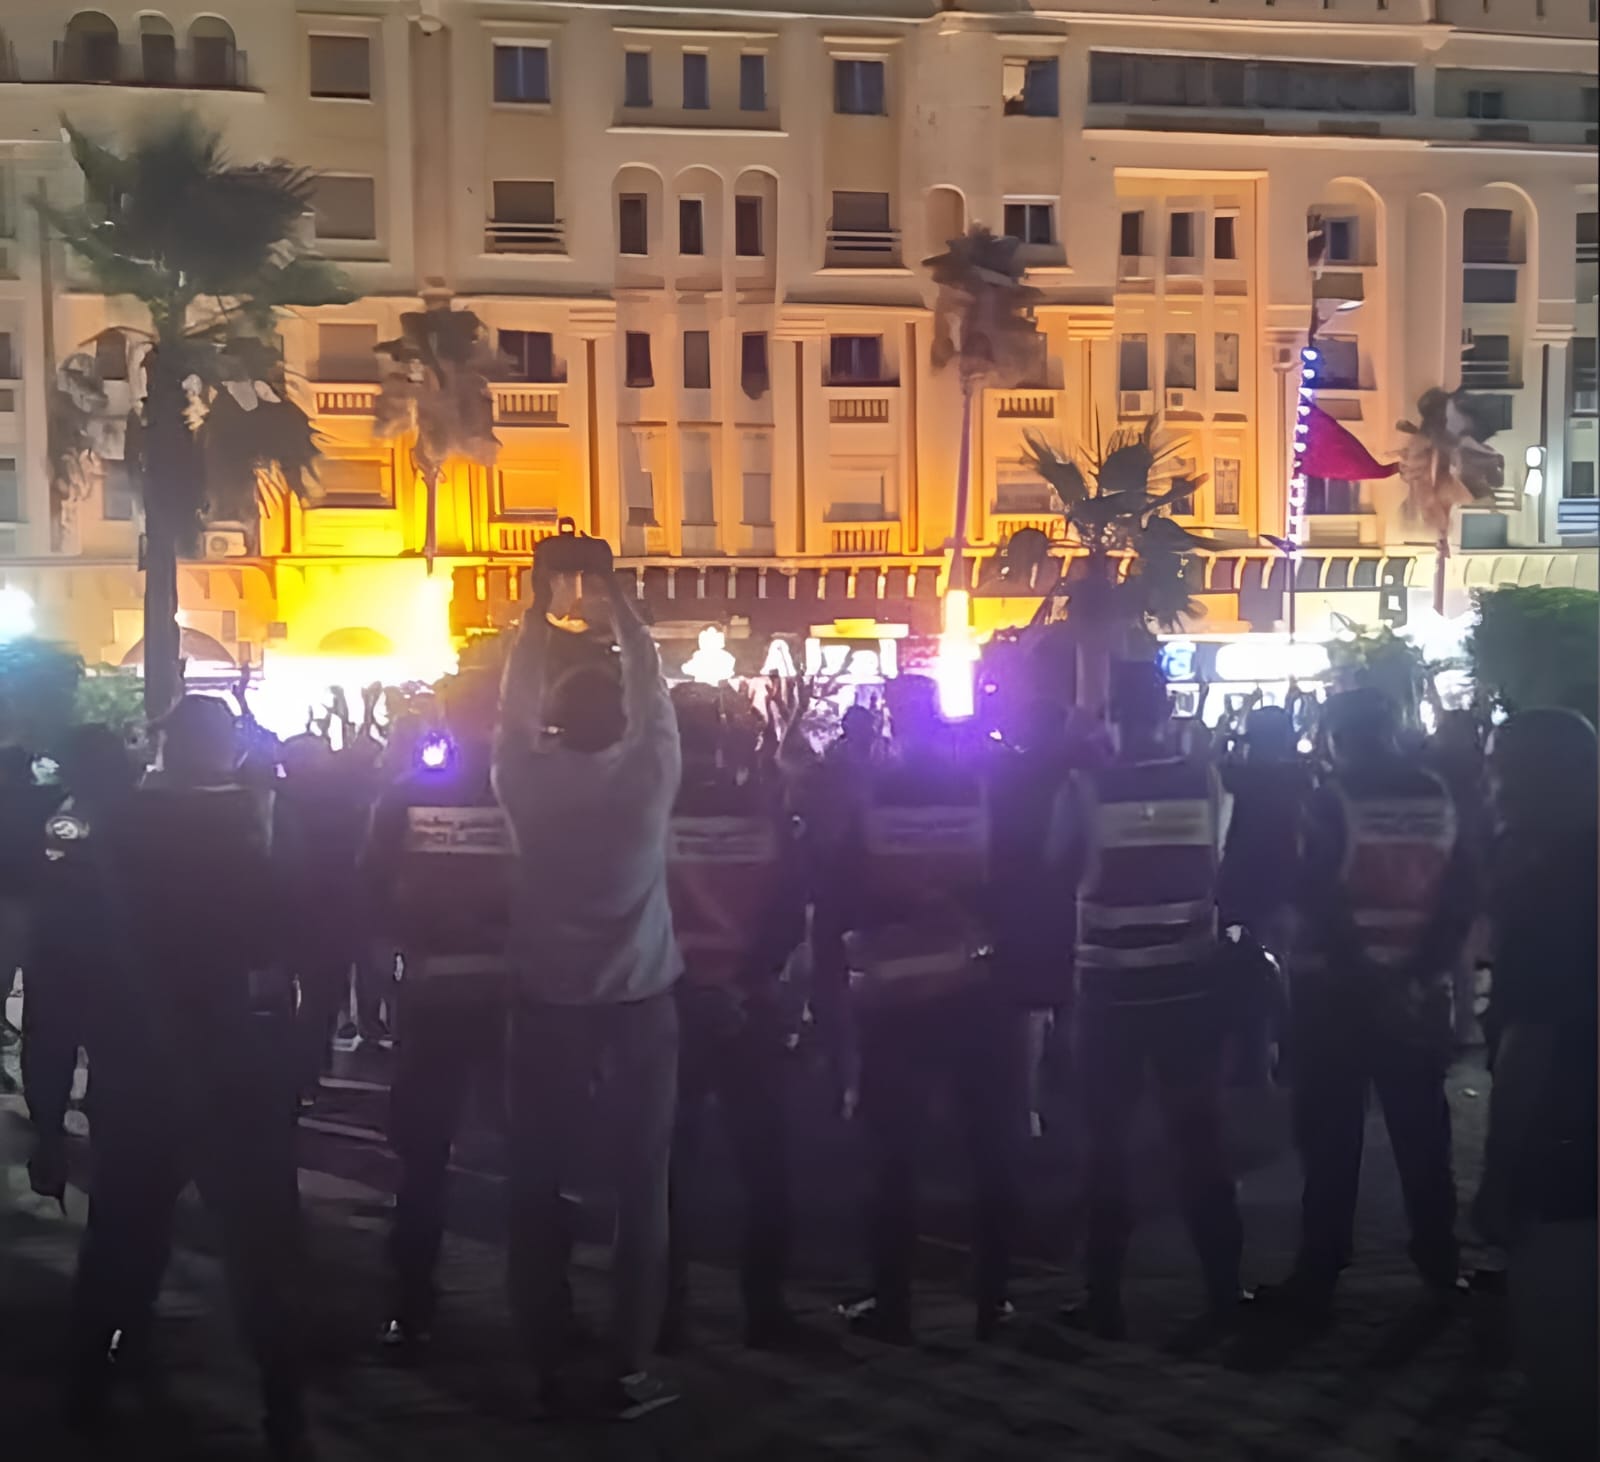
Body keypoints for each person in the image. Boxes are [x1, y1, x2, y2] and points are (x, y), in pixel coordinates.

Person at [66, 695, 309, 1459]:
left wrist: (59, 1083)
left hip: (140, 1061)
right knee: (259, 1247)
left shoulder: (113, 828)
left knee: (123, 1233)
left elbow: (74, 960)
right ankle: (283, 1412)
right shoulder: (243, 826)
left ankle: (95, 1384)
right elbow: (281, 935)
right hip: (229, 1058)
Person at [494, 544, 683, 1420]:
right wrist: (617, 602)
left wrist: (539, 611)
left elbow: (510, 706)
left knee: (536, 1181)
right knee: (642, 1190)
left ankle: (542, 1353)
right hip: (640, 1006)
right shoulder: (649, 780)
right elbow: (655, 689)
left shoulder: (524, 781)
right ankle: (629, 1365)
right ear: (622, 722)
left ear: (555, 724)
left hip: (547, 1006)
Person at [1267, 687, 1474, 1330]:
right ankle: (1440, 1266)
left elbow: (1316, 898)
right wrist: (1418, 973)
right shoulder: (1438, 797)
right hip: (1417, 996)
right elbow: (1461, 895)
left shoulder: (1333, 800)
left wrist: (1367, 975)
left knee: (1331, 1139)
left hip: (1336, 996)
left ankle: (1321, 1269)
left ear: (1339, 737)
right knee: (1423, 1137)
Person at [1052, 661, 1243, 1341]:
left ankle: (1103, 1299)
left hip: (1110, 995)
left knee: (1106, 1149)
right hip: (1189, 988)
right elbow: (1218, 861)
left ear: (1112, 717)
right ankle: (1224, 1294)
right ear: (1168, 713)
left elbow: (1057, 867)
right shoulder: (1206, 782)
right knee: (1200, 1144)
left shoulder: (1085, 787)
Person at [834, 676, 1024, 1344]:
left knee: (893, 1158)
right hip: (976, 993)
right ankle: (994, 1300)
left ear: (891, 721)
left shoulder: (871, 797)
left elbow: (840, 892)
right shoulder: (979, 791)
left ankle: (893, 1303)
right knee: (988, 1150)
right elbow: (1011, 883)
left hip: (896, 999)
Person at [363, 668, 512, 1350]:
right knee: (532, 1157)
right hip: (515, 999)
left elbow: (371, 887)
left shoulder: (408, 794)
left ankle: (412, 1303)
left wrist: (395, 955)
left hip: (435, 998)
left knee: (423, 1158)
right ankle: (546, 1302)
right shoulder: (528, 793)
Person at [661, 684, 804, 1350]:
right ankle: (765, 1309)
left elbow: (634, 910)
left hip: (674, 1007)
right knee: (765, 1164)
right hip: (751, 1009)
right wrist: (747, 984)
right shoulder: (760, 812)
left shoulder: (649, 814)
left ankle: (666, 1310)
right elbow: (789, 912)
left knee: (667, 1169)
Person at [1474, 709, 1597, 1462]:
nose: (1491, 786)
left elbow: (1532, 1036)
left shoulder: (1551, 888)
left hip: (1564, 1139)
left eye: (1501, 770)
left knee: (1561, 1348)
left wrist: (1498, 1172)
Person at [21, 725, 138, 1203]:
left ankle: (53, 1140)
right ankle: (102, 1150)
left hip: (61, 950)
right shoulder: (137, 810)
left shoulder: (57, 810)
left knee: (51, 1050)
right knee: (109, 1055)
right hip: (114, 955)